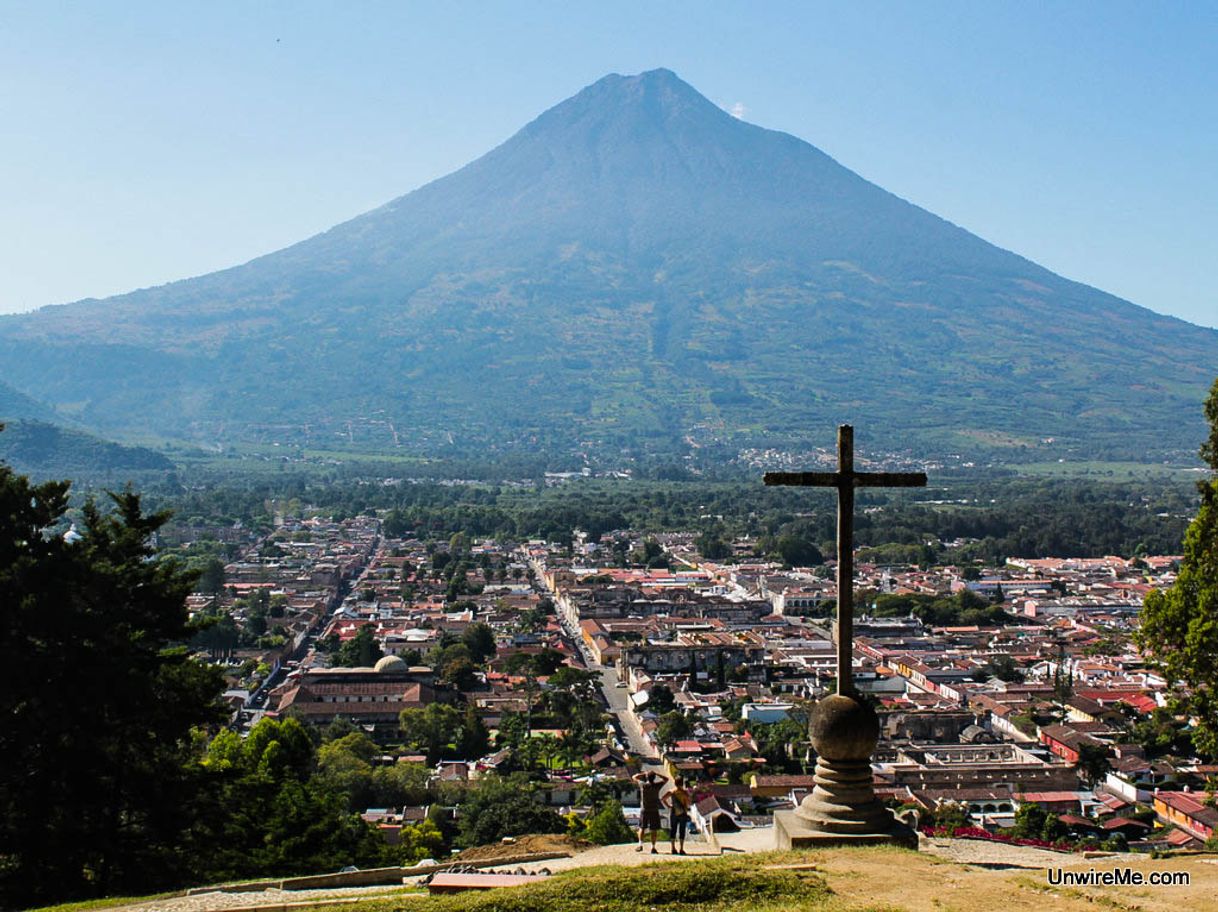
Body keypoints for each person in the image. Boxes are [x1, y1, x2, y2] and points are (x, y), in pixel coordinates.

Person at [632, 769, 669, 853]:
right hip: (654, 809)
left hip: (644, 809)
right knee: (654, 829)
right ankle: (653, 847)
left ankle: (640, 845)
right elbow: (666, 779)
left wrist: (643, 773)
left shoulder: (643, 785)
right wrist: (657, 773)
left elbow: (634, 777)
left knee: (642, 827)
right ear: (654, 778)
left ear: (647, 778)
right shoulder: (657, 786)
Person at [664, 775, 692, 854]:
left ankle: (673, 848)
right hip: (683, 812)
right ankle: (681, 848)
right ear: (682, 783)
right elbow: (688, 803)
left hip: (673, 812)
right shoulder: (684, 793)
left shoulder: (671, 791)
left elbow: (663, 799)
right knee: (682, 830)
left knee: (673, 830)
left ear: (675, 783)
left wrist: (669, 806)